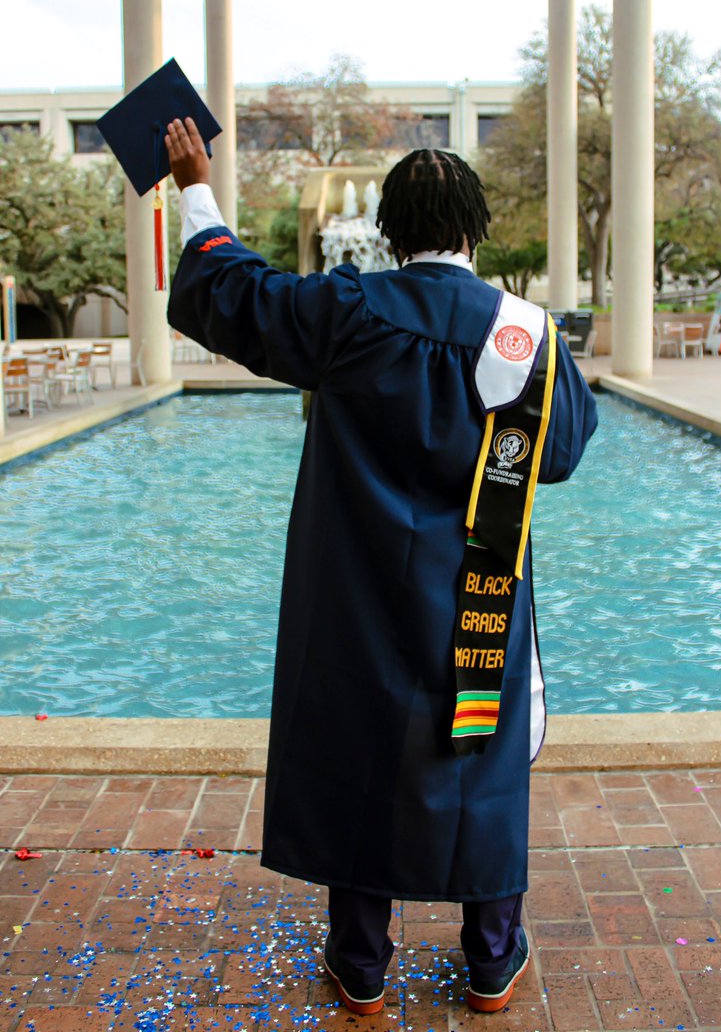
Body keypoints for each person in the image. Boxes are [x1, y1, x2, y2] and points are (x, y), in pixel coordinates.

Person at [166, 117, 597, 1017]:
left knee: (367, 751)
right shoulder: (527, 334)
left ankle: (361, 963)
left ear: (391, 234)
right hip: (476, 596)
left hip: (362, 598)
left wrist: (196, 187)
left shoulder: (351, 311)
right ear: (474, 230)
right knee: (478, 752)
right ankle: (490, 958)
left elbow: (238, 293)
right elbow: (559, 452)